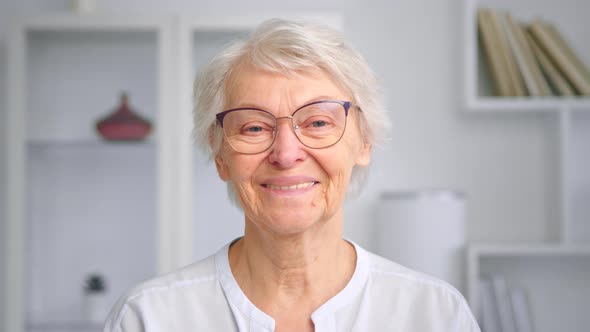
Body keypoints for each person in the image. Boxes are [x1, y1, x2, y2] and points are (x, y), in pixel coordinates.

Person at [104, 19, 481, 332]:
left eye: (317, 122)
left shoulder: (436, 315)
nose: (285, 154)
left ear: (364, 142)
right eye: (253, 127)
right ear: (220, 155)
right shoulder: (149, 318)